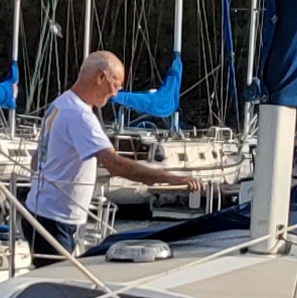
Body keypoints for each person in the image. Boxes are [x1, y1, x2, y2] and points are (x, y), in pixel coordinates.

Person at [24, 50, 208, 263]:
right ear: (100, 77)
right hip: (54, 219)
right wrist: (171, 179)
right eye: (116, 85)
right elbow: (114, 164)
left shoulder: (60, 104)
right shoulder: (80, 116)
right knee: (58, 281)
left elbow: (38, 159)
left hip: (39, 210)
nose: (114, 94)